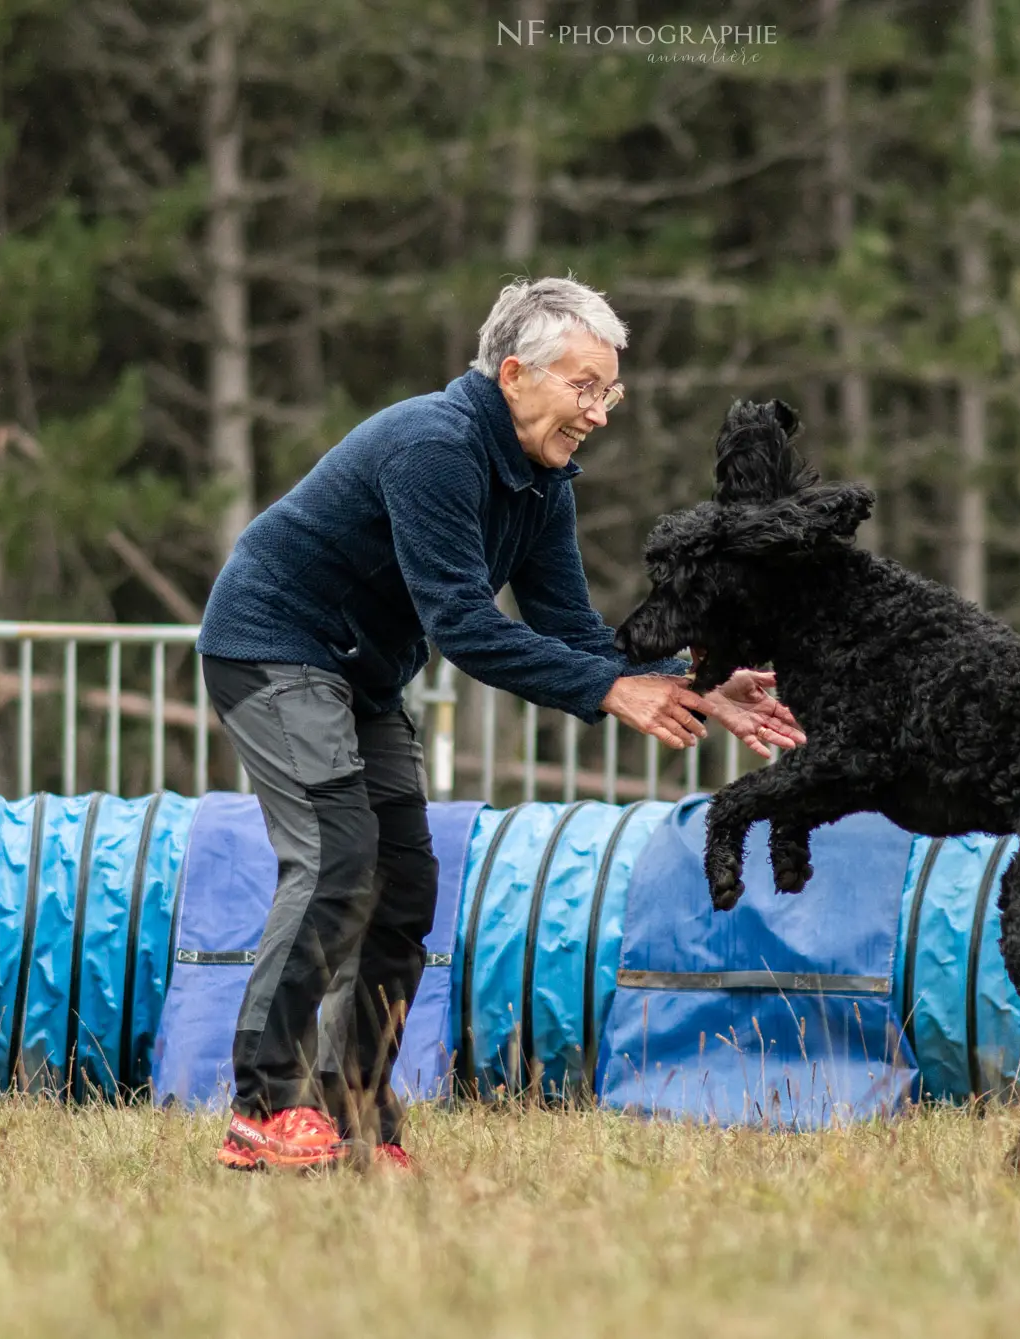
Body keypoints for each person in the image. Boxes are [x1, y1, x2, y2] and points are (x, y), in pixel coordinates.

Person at [194, 275, 804, 1172]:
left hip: (357, 676)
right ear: (515, 373)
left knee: (403, 885)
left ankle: (351, 1109)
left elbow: (574, 633)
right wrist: (608, 693)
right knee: (335, 857)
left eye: (611, 390)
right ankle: (262, 1110)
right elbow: (465, 627)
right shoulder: (434, 446)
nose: (600, 411)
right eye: (584, 385)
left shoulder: (540, 482)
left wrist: (696, 682)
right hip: (273, 646)